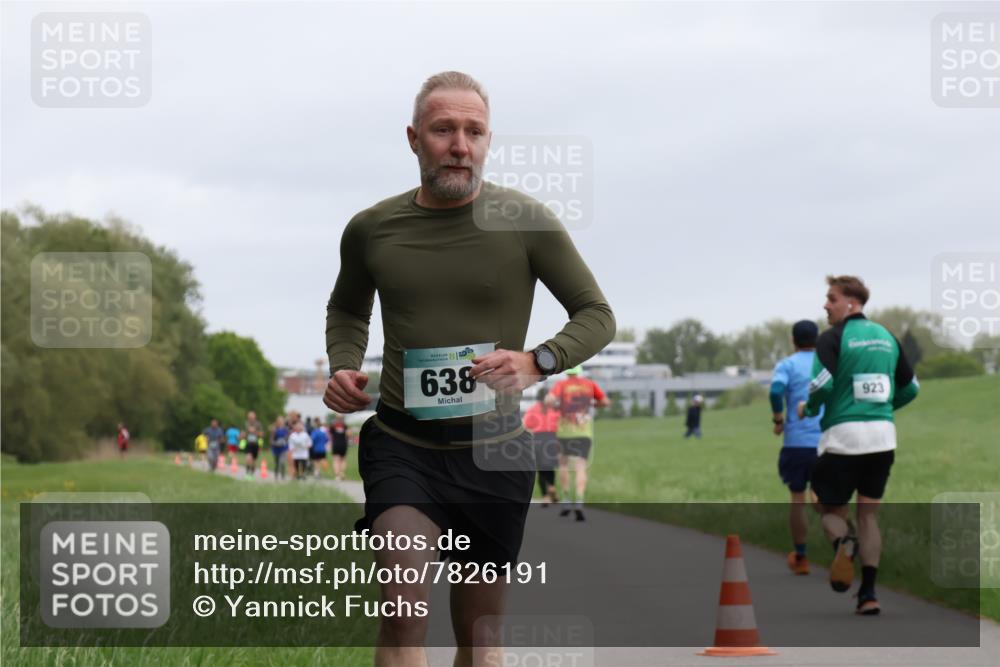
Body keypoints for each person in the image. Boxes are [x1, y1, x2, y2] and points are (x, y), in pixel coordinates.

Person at [322, 71, 614, 666]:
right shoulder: (371, 228)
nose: (460, 145)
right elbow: (348, 308)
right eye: (443, 130)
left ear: (488, 141)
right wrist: (345, 365)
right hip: (404, 446)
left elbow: (596, 314)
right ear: (413, 138)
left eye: (474, 132)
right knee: (403, 612)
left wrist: (537, 361)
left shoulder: (525, 220)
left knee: (479, 637)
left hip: (494, 451)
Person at [797, 275, 919, 616]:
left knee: (826, 508)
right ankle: (868, 594)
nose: (825, 305)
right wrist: (880, 410)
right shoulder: (887, 337)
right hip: (883, 438)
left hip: (843, 438)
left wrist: (810, 408)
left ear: (852, 302)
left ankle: (844, 543)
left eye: (832, 298)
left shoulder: (832, 338)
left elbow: (822, 383)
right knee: (868, 516)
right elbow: (912, 388)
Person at [769, 320, 824, 575]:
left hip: (797, 443)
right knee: (825, 499)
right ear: (817, 339)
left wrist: (778, 420)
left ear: (793, 340)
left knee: (797, 499)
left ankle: (801, 557)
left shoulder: (787, 365)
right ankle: (842, 543)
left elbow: (775, 391)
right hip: (826, 442)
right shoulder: (826, 364)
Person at [546, 366, 610, 521]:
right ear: (580, 372)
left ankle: (567, 500)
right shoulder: (589, 384)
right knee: (581, 467)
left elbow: (549, 400)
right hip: (584, 432)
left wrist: (557, 406)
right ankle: (579, 501)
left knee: (563, 465)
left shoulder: (561, 385)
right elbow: (605, 402)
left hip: (565, 432)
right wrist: (592, 405)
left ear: (568, 372)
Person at [523, 387, 561, 506]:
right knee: (549, 467)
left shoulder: (532, 409)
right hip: (552, 439)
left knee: (541, 469)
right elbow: (560, 425)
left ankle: (545, 496)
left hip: (537, 440)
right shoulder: (554, 409)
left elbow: (526, 426)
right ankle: (552, 487)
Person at [329, 414, 350, 481]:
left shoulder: (333, 426)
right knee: (343, 460)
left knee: (336, 460)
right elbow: (348, 435)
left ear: (336, 418)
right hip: (343, 444)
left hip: (336, 444)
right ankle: (342, 473)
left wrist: (330, 445)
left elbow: (330, 436)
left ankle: (337, 475)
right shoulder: (345, 426)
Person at [244, 410, 263, 477]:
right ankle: (247, 473)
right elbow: (243, 433)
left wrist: (254, 431)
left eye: (252, 417)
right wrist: (244, 434)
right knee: (248, 458)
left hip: (255, 444)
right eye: (249, 417)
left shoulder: (258, 424)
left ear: (255, 417)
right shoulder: (246, 424)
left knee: (253, 460)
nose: (251, 418)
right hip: (248, 443)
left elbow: (261, 434)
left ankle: (252, 473)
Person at [270, 417, 290, 481]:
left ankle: (283, 476)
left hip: (283, 448)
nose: (280, 422)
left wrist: (285, 440)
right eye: (279, 421)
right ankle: (276, 476)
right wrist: (274, 443)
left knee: (282, 462)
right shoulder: (274, 429)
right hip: (276, 448)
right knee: (277, 463)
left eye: (281, 421)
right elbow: (271, 439)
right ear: (277, 422)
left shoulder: (286, 429)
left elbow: (288, 437)